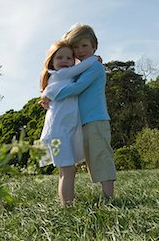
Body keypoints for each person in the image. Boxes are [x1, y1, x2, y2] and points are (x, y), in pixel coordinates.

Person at [41, 24, 117, 204]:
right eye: (76, 47)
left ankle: (109, 200)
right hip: (81, 122)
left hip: (95, 119)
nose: (80, 51)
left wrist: (49, 94)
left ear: (94, 46)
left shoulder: (95, 67)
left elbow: (76, 89)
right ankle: (96, 200)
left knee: (101, 159)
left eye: (85, 46)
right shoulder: (75, 71)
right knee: (86, 162)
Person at [39, 40, 98, 206]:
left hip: (62, 132)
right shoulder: (58, 75)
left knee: (66, 170)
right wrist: (94, 58)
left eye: (69, 57)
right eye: (60, 58)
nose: (65, 61)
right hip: (57, 133)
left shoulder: (66, 78)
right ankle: (68, 207)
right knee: (68, 170)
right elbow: (81, 67)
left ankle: (68, 204)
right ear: (52, 62)